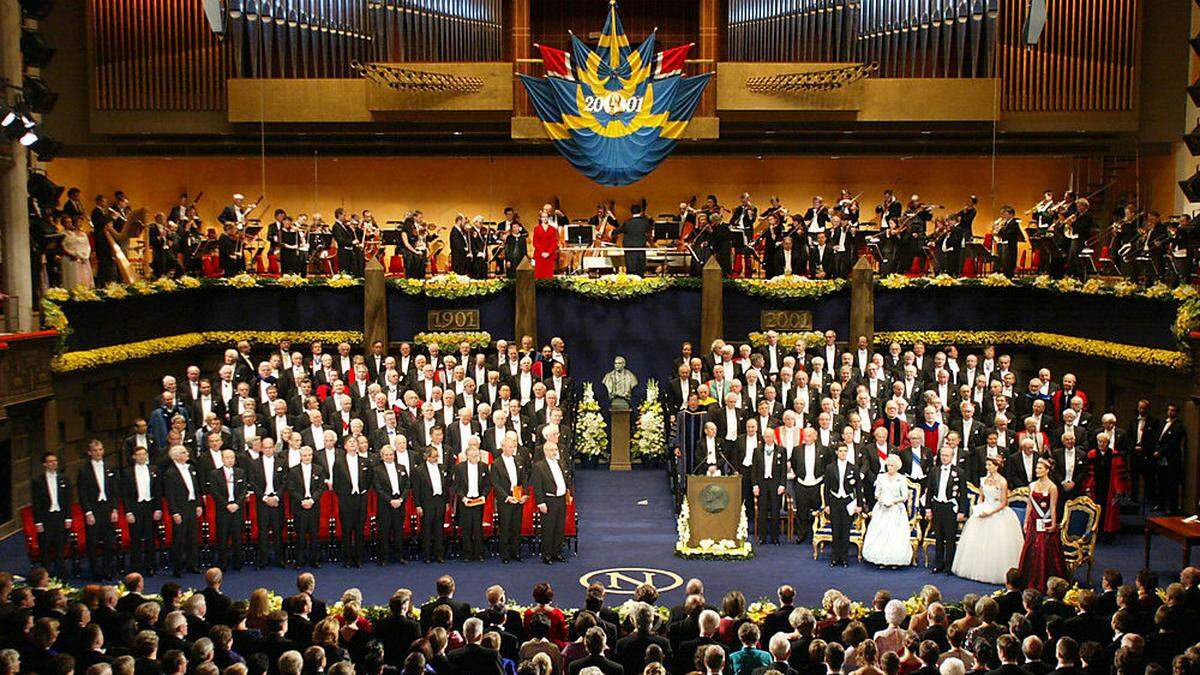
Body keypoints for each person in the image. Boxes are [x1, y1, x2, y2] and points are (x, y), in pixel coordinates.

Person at [951, 456, 1024, 583]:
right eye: (986, 465)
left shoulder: (1002, 481)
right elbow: (981, 496)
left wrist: (990, 512)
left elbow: (1003, 502)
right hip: (984, 510)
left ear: (996, 466)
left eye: (990, 465)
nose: (987, 467)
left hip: (997, 512)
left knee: (997, 543)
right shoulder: (983, 479)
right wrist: (979, 508)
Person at [1017, 457, 1070, 592]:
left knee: (1045, 550)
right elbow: (1029, 505)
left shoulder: (1053, 487)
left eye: (1040, 468)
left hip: (1046, 522)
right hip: (1034, 522)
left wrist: (1053, 524)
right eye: (1036, 468)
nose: (1037, 470)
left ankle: (1047, 582)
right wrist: (1025, 522)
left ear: (1047, 470)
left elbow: (1053, 507)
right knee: (1030, 549)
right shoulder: (1032, 485)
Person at [861, 455, 913, 568]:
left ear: (897, 467)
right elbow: (876, 493)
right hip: (882, 508)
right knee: (880, 532)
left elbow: (904, 496)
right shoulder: (881, 477)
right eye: (888, 465)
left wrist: (892, 502)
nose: (890, 468)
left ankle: (895, 560)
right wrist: (882, 500)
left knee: (894, 534)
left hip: (896, 509)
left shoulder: (902, 478)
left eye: (892, 466)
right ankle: (881, 559)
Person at [923, 446, 968, 574]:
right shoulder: (934, 471)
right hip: (937, 506)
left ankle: (949, 566)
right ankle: (938, 564)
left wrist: (962, 511)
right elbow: (929, 491)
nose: (944, 458)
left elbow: (963, 494)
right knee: (938, 537)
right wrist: (928, 508)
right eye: (942, 455)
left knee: (950, 539)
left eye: (947, 455)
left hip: (951, 507)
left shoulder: (959, 472)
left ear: (952, 456)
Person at [163, 445, 202, 577]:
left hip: (191, 505)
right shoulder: (170, 473)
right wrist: (174, 512)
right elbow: (170, 495)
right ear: (177, 456)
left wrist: (198, 504)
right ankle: (178, 568)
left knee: (193, 537)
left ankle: (193, 564)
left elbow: (196, 488)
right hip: (180, 508)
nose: (187, 454)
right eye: (184, 452)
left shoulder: (190, 468)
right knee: (179, 539)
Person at [206, 449, 248, 571]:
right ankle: (223, 563)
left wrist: (237, 504)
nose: (230, 460)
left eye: (232, 458)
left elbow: (244, 490)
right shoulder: (215, 474)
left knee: (238, 537)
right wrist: (226, 505)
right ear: (222, 459)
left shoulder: (240, 472)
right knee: (223, 537)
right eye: (227, 458)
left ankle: (238, 563)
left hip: (237, 509)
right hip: (223, 510)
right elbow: (214, 492)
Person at [286, 446, 327, 568]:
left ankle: (314, 560)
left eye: (309, 455)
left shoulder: (319, 469)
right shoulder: (293, 471)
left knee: (314, 534)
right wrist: (302, 500)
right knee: (301, 534)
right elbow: (291, 488)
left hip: (314, 506)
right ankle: (299, 560)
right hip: (300, 506)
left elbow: (321, 487)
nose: (307, 457)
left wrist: (312, 500)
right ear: (300, 456)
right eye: (305, 455)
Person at [822, 444, 862, 567]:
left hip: (847, 502)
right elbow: (826, 488)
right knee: (836, 530)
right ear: (836, 452)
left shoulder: (853, 468)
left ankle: (844, 558)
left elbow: (858, 487)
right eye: (840, 451)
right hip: (834, 501)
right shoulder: (830, 467)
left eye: (845, 451)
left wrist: (859, 505)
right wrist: (827, 504)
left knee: (845, 531)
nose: (843, 453)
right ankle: (835, 557)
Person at [534, 441, 572, 564]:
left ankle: (557, 552)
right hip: (549, 500)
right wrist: (540, 503)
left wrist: (568, 493)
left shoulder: (561, 463)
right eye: (551, 450)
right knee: (548, 529)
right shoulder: (539, 466)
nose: (554, 452)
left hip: (561, 499)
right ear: (545, 451)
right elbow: (537, 487)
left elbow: (565, 480)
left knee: (559, 528)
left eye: (555, 449)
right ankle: (547, 555)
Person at [61, 215, 94, 289]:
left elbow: (87, 246)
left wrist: (86, 255)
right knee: (75, 277)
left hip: (83, 257)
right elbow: (66, 246)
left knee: (85, 277)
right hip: (74, 257)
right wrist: (76, 254)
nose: (69, 224)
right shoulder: (67, 234)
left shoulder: (79, 234)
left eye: (70, 222)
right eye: (67, 222)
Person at [533, 209, 560, 279]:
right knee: (538, 276)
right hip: (539, 255)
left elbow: (554, 243)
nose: (544, 218)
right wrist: (542, 252)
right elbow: (535, 242)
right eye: (543, 217)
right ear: (540, 218)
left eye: (546, 217)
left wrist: (549, 253)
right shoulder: (536, 229)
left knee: (549, 277)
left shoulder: (553, 229)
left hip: (550, 256)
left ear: (548, 218)